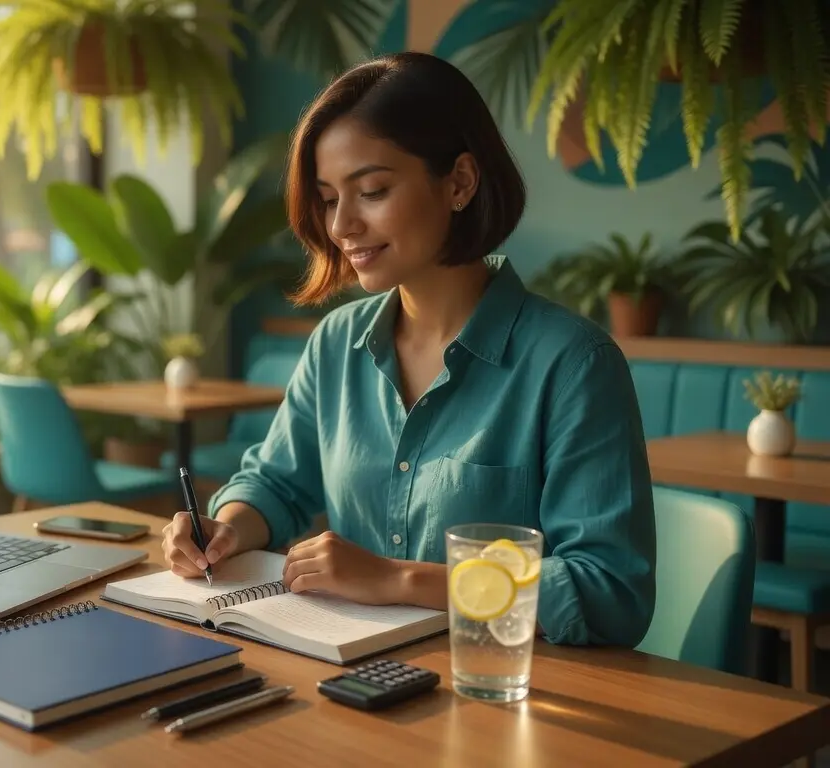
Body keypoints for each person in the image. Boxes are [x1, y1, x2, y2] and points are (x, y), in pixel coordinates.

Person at [160, 52, 656, 647]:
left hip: (502, 681)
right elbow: (276, 483)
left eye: (371, 191)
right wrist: (225, 530)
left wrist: (398, 579)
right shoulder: (336, 343)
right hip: (353, 672)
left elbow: (609, 592)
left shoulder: (573, 364)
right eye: (328, 198)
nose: (341, 226)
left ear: (460, 183)